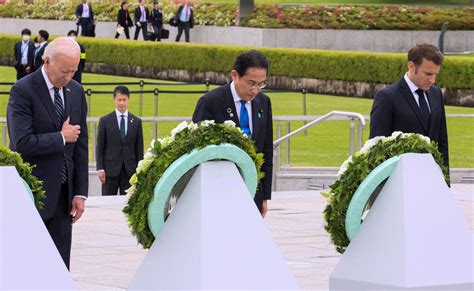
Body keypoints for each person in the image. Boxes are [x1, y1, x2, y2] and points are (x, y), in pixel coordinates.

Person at [7, 37, 89, 269]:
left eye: (74, 71)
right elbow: (21, 142)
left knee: (60, 267)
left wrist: (80, 193)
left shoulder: (75, 91)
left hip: (65, 197)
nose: (69, 77)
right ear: (47, 61)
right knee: (29, 266)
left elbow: (81, 146)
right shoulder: (23, 90)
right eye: (64, 70)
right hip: (34, 194)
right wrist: (61, 138)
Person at [192, 50, 273, 217]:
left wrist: (264, 196)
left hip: (252, 188)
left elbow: (266, 151)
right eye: (251, 83)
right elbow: (196, 151)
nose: (256, 90)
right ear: (235, 75)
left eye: (261, 84)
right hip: (216, 189)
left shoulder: (263, 102)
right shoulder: (211, 101)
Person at [370, 43, 449, 169]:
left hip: (432, 179)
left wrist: (445, 183)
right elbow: (377, 148)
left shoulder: (436, 94)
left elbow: (442, 142)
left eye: (435, 74)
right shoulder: (387, 97)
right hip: (400, 180)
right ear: (411, 66)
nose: (432, 80)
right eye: (428, 74)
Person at [96, 86, 143, 196]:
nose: (122, 103)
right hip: (109, 171)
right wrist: (100, 168)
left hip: (129, 171)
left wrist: (139, 171)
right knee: (107, 203)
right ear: (114, 100)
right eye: (119, 100)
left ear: (128, 100)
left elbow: (139, 148)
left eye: (124, 100)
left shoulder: (136, 122)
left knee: (127, 204)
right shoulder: (105, 121)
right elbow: (100, 147)